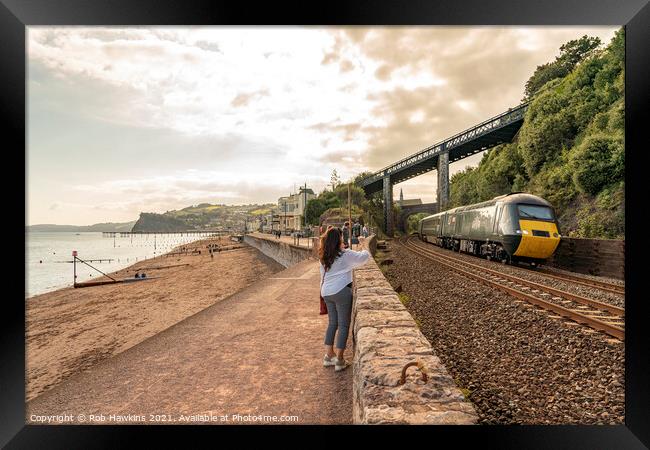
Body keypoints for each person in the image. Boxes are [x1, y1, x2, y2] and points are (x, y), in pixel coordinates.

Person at [319, 227, 370, 372]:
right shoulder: (345, 254)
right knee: (343, 325)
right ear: (339, 239)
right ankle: (340, 360)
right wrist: (363, 243)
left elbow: (322, 276)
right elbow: (364, 257)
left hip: (326, 292)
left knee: (332, 323)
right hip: (341, 291)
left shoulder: (324, 256)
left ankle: (329, 356)